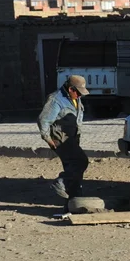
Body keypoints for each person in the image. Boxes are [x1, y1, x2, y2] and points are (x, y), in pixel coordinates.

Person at [37, 75, 90, 210]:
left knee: (73, 168)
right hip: (60, 139)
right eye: (77, 92)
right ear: (70, 88)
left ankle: (73, 204)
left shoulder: (75, 99)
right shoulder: (56, 99)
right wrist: (47, 139)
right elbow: (44, 120)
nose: (79, 95)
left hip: (72, 139)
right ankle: (60, 183)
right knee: (81, 161)